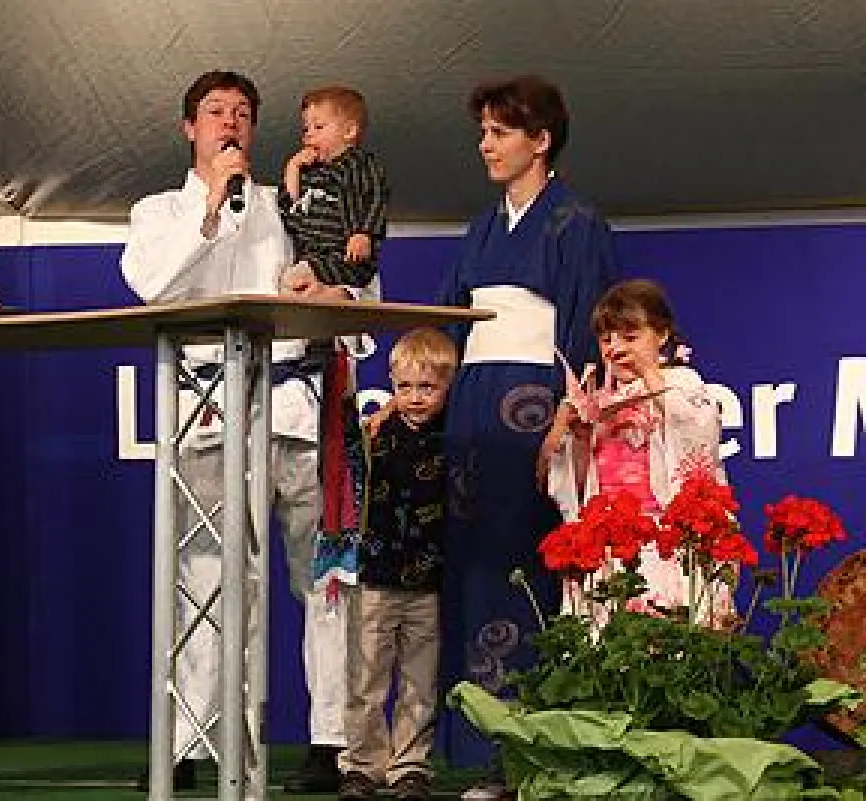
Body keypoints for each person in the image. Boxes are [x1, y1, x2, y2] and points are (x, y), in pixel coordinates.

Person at [120, 70, 363, 794]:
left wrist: (335, 292)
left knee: (326, 581)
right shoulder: (157, 210)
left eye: (244, 114)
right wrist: (214, 215)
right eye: (216, 113)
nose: (231, 124)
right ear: (189, 127)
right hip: (209, 415)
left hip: (300, 410)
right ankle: (195, 740)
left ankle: (334, 743)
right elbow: (153, 286)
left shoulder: (290, 203)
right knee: (207, 582)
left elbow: (358, 281)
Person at [432, 74, 620, 798]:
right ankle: (481, 746)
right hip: (474, 410)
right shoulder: (482, 226)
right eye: (482, 131)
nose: (486, 144)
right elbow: (452, 319)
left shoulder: (576, 222)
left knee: (529, 571)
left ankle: (535, 749)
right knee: (475, 569)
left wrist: (565, 424)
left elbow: (587, 332)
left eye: (500, 131)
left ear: (541, 140)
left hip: (534, 410)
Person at [539, 278, 731, 622]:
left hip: (664, 539)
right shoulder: (597, 397)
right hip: (611, 542)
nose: (616, 349)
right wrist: (576, 437)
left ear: (662, 335)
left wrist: (650, 375)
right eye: (607, 339)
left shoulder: (682, 384)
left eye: (630, 337)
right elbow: (571, 487)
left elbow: (698, 436)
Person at [337, 329, 454, 801]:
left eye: (427, 388)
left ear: (449, 387)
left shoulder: (453, 440)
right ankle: (362, 766)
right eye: (404, 387)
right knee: (365, 678)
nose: (414, 399)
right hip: (376, 579)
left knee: (420, 682)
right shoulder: (375, 436)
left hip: (428, 582)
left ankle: (410, 766)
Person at [278, 85, 387, 294]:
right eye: (306, 129)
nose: (309, 136)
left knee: (292, 282)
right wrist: (292, 168)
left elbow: (376, 197)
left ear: (349, 131)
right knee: (290, 284)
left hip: (346, 256)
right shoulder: (311, 173)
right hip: (315, 258)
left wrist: (364, 233)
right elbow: (290, 207)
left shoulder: (358, 165)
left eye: (318, 127)